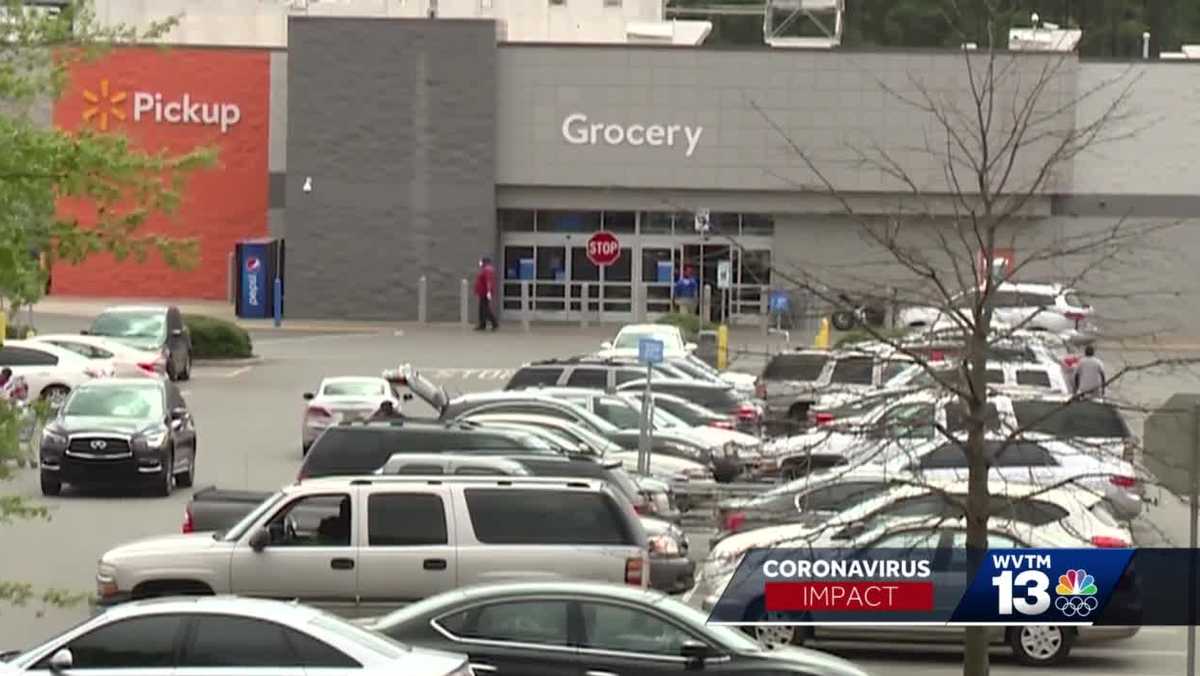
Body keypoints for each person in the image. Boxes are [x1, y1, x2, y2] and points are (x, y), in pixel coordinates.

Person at [474, 255, 499, 331]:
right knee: (482, 309)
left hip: (485, 292)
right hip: (482, 292)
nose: (480, 263)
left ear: (485, 262)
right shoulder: (486, 269)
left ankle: (494, 322)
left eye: (481, 261)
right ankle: (482, 324)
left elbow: (489, 281)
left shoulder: (487, 270)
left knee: (485, 309)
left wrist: (488, 292)